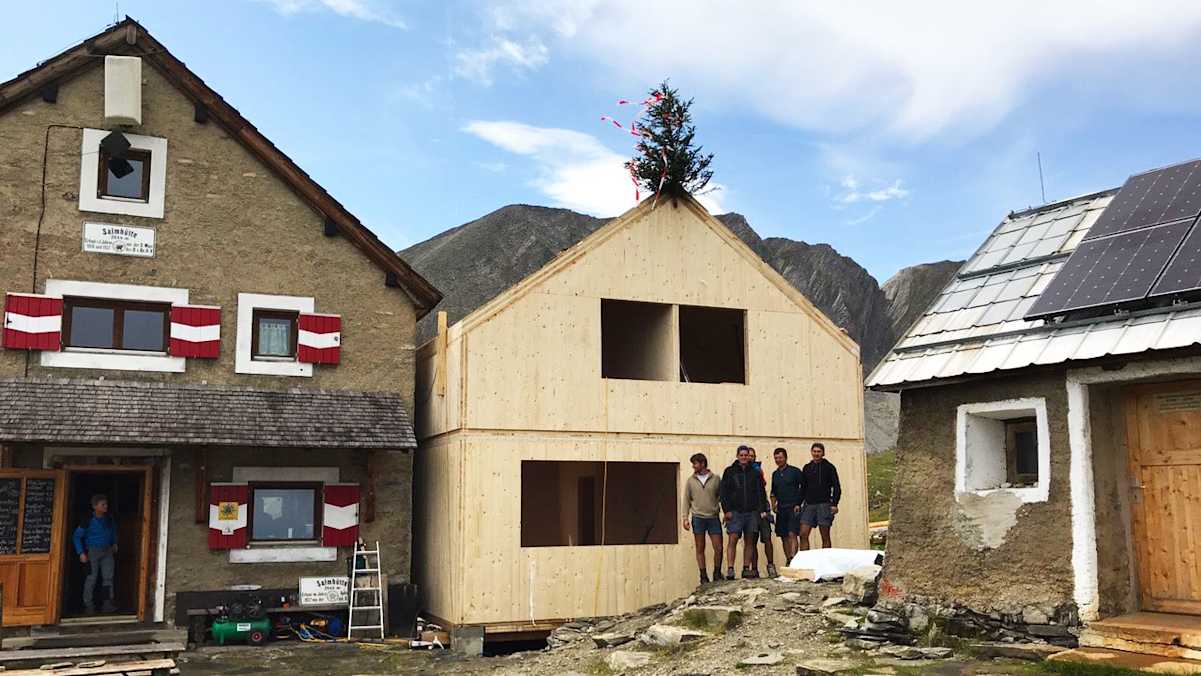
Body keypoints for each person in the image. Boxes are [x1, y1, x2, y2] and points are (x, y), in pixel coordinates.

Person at [719, 445, 768, 580]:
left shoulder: (755, 472)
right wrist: (726, 510)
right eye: (741, 455)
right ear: (737, 456)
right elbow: (724, 492)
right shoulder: (729, 471)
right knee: (733, 539)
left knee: (750, 541)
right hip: (735, 512)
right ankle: (730, 568)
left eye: (746, 455)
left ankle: (746, 568)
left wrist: (762, 509)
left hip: (752, 512)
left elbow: (761, 492)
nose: (744, 457)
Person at [681, 453, 724, 584]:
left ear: (702, 463)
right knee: (700, 547)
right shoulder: (690, 481)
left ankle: (717, 572)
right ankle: (703, 575)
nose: (693, 466)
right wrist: (685, 517)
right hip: (698, 517)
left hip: (713, 517)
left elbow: (722, 497)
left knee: (718, 547)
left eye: (695, 463)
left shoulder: (716, 479)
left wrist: (725, 512)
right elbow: (686, 500)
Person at [73, 494, 117, 614]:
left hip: (107, 551)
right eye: (103, 504)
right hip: (92, 552)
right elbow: (76, 536)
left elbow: (113, 531)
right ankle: (89, 605)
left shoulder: (109, 518)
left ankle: (107, 604)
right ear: (94, 506)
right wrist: (81, 553)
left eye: (106, 504)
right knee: (91, 579)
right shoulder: (87, 520)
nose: (106, 506)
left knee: (108, 578)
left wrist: (114, 543)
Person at [799, 442, 841, 550]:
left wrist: (834, 504)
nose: (816, 454)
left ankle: (826, 559)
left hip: (824, 505)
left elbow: (836, 487)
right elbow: (803, 488)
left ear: (823, 453)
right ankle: (805, 558)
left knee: (825, 536)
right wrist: (798, 503)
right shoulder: (807, 468)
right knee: (803, 534)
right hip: (809, 505)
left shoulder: (829, 467)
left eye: (819, 452)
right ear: (811, 452)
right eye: (814, 451)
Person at [746, 447, 777, 578]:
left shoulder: (758, 471)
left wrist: (764, 509)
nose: (749, 458)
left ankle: (770, 565)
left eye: (752, 456)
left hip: (762, 508)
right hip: (750, 510)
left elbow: (762, 490)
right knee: (752, 540)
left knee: (767, 538)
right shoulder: (740, 471)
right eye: (748, 455)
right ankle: (754, 569)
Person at [770, 447, 804, 563]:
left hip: (793, 507)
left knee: (792, 533)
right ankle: (788, 559)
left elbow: (803, 487)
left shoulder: (795, 471)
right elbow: (773, 492)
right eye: (776, 458)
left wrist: (799, 503)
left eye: (780, 457)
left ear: (785, 458)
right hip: (781, 509)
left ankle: (794, 559)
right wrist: (773, 505)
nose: (778, 460)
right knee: (783, 535)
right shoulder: (775, 474)